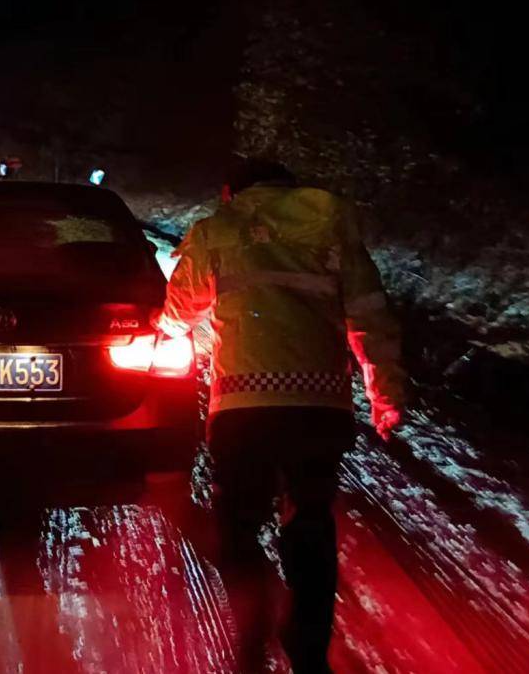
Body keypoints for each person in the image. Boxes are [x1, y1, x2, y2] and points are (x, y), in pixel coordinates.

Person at [155, 157, 405, 673]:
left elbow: (180, 311)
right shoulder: (332, 224)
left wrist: (163, 332)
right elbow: (369, 317)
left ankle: (251, 631)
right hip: (319, 407)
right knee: (310, 519)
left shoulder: (219, 229)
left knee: (240, 524)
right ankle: (308, 648)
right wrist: (386, 396)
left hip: (244, 409)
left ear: (232, 192)